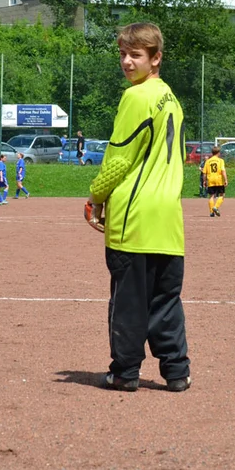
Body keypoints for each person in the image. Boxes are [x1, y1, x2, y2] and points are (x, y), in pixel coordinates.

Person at [87, 21, 191, 393]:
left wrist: (96, 197)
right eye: (123, 54)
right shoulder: (172, 99)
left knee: (129, 301)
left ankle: (124, 372)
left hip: (135, 216)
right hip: (169, 218)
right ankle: (177, 372)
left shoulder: (136, 97)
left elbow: (118, 159)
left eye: (136, 55)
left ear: (156, 58)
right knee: (166, 302)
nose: (127, 62)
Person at [202, 145, 228, 217]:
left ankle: (211, 212)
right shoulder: (220, 161)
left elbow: (204, 173)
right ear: (218, 153)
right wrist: (225, 179)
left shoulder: (208, 161)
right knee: (222, 195)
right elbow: (223, 171)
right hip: (218, 179)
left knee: (211, 196)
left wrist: (204, 181)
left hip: (210, 180)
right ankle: (215, 207)